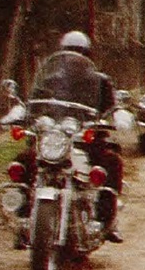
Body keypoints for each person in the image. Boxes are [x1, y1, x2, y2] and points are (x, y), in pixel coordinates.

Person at [13, 30, 125, 247]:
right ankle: (24, 220)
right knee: (24, 160)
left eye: (79, 52)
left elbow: (111, 108)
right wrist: (26, 116)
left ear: (87, 55)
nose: (74, 58)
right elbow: (34, 105)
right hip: (54, 138)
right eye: (70, 52)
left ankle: (107, 221)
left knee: (112, 162)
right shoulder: (50, 80)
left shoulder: (101, 81)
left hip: (86, 139)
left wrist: (114, 117)